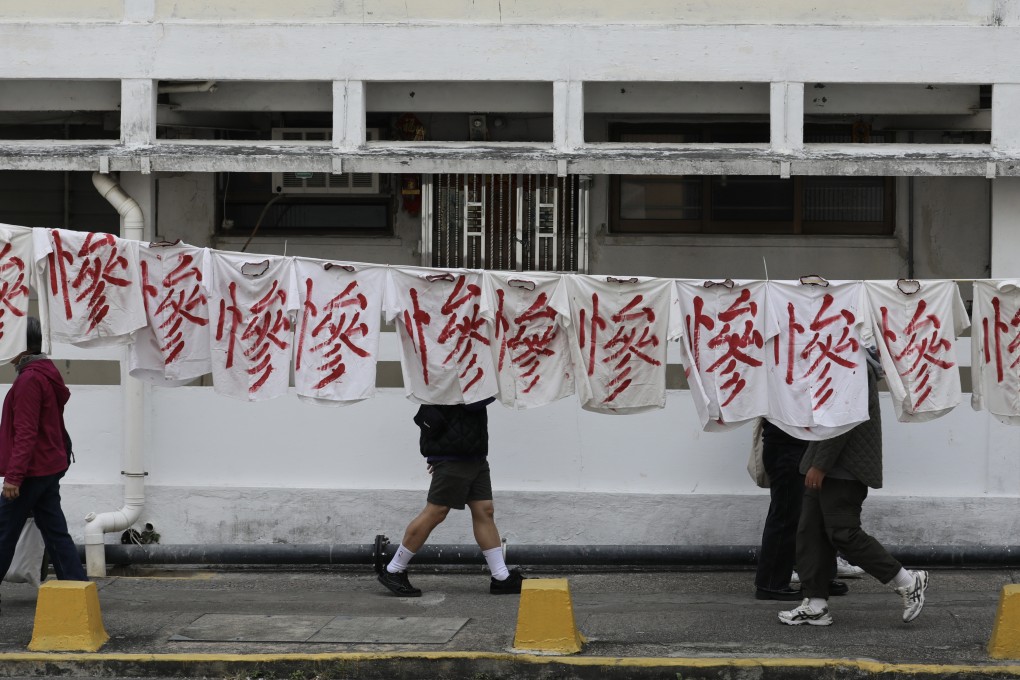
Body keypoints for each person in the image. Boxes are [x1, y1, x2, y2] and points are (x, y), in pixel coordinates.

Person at [779, 351, 928, 626]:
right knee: (811, 532)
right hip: (826, 462)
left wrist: (820, 464)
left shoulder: (851, 361)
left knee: (843, 532)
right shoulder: (839, 356)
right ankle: (816, 603)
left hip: (844, 467)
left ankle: (907, 581)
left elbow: (844, 417)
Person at [378, 397, 524, 597]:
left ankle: (501, 577)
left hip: (473, 453)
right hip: (455, 454)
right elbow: (471, 401)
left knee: (484, 510)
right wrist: (497, 387)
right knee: (436, 511)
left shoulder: (471, 370)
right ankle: (394, 569)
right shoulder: (455, 372)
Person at [0, 317, 88, 602]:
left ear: (21, 346)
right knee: (55, 532)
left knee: (3, 532)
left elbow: (26, 432)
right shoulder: (45, 372)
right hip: (50, 465)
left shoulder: (29, 379)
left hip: (32, 471)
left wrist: (14, 477)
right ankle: (77, 591)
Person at [754, 421, 852, 601]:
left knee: (814, 514)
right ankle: (770, 583)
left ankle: (818, 580)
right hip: (788, 443)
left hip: (804, 442)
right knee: (787, 514)